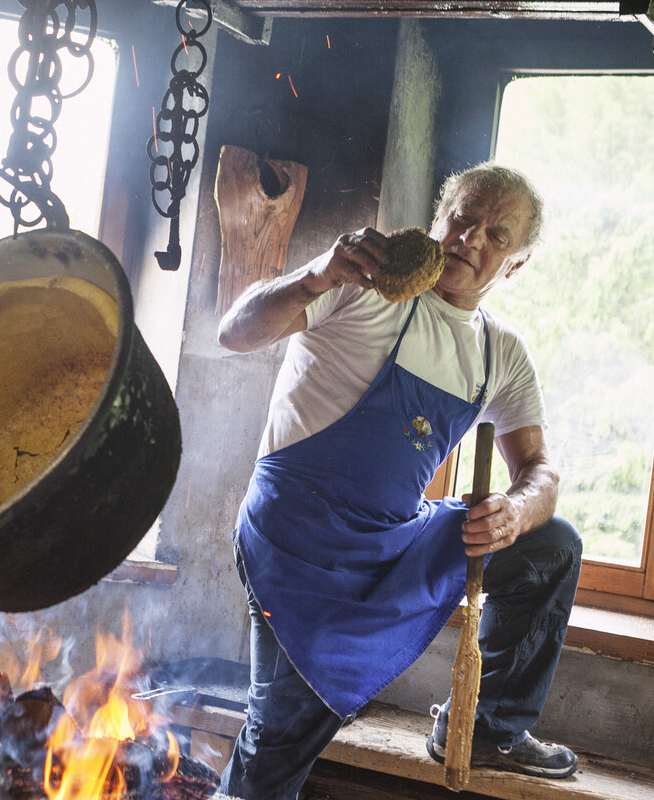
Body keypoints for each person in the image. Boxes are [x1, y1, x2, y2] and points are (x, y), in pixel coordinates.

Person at [216, 163, 584, 799]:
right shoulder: (360, 287)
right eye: (462, 219)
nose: (471, 239)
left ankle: (488, 725)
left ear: (514, 266)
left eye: (496, 235)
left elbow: (541, 473)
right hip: (294, 541)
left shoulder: (501, 354)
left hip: (387, 546)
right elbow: (234, 333)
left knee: (552, 544)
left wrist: (516, 512)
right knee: (279, 734)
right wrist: (314, 275)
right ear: (438, 218)